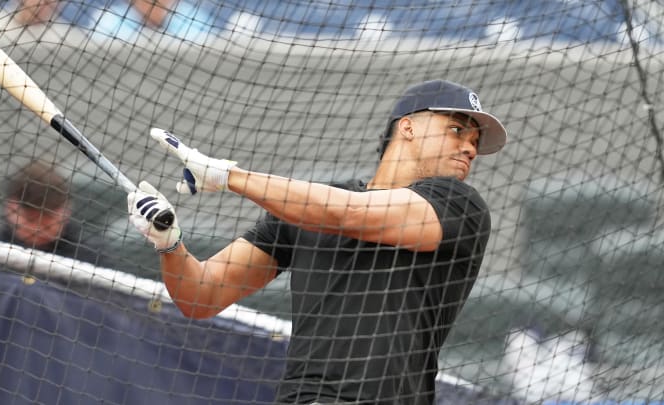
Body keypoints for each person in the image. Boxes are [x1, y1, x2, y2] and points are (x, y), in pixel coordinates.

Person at [127, 79, 507, 404]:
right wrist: (170, 244)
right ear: (408, 127)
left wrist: (228, 176)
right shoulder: (306, 210)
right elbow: (201, 296)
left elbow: (352, 214)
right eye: (457, 130)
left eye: (475, 140)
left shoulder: (459, 206)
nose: (470, 148)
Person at [0, 160, 103, 266]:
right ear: (10, 208)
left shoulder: (90, 260)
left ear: (66, 210)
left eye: (47, 223)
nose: (38, 230)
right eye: (31, 219)